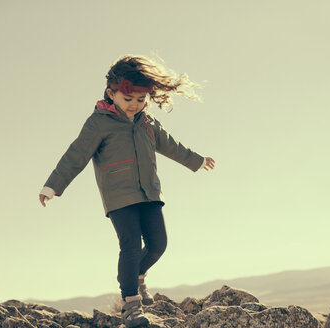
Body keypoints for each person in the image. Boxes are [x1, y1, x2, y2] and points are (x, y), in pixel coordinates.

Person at [38, 54, 215, 328]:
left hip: (150, 194)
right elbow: (76, 155)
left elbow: (170, 145)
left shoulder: (147, 122)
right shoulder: (99, 123)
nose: (135, 105)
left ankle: (138, 276)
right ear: (112, 93)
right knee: (130, 245)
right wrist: (53, 185)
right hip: (119, 197)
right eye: (128, 99)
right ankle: (131, 304)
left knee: (158, 245)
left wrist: (196, 160)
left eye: (141, 100)